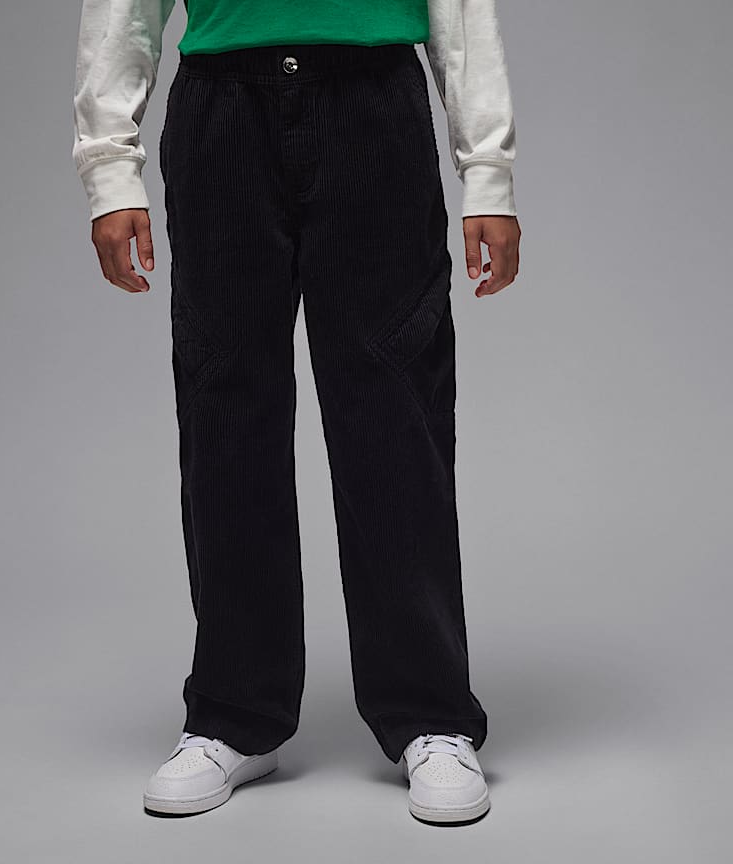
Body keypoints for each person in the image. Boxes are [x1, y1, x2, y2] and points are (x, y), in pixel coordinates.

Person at [72, 0, 520, 824]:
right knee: (226, 412)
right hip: (222, 108)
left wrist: (486, 170)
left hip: (372, 102)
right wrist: (110, 168)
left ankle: (429, 713)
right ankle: (234, 714)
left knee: (395, 414)